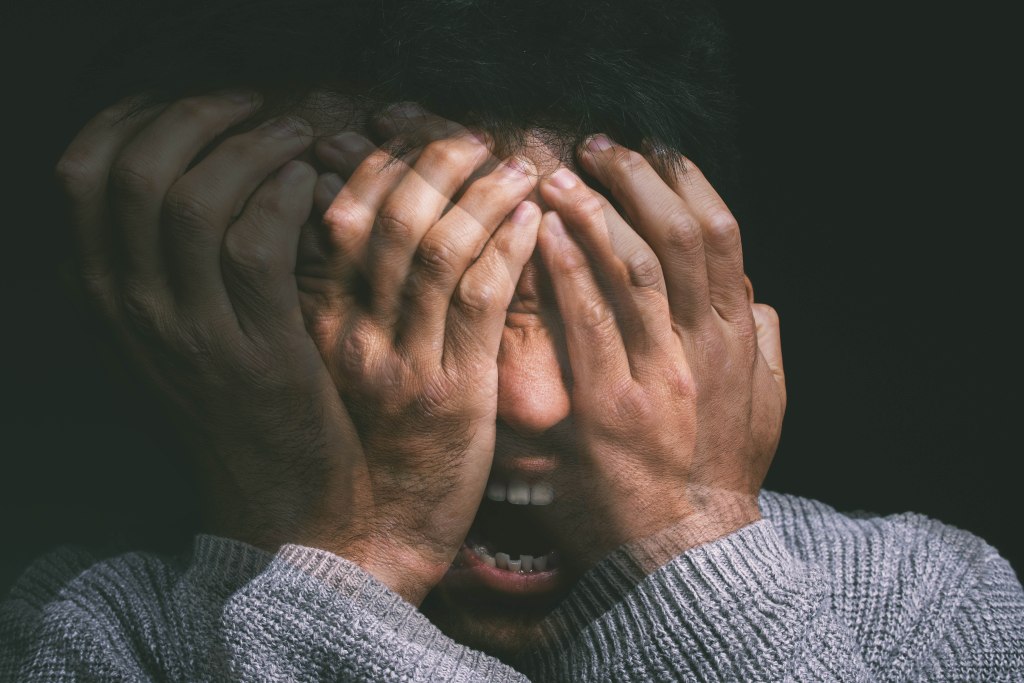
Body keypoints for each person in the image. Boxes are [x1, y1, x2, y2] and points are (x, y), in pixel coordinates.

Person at [2, 1, 1022, 680]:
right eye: (394, 295)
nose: (532, 400)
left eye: (602, 292)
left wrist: (691, 538)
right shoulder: (90, 634)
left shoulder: (922, 600)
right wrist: (351, 564)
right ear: (207, 323)